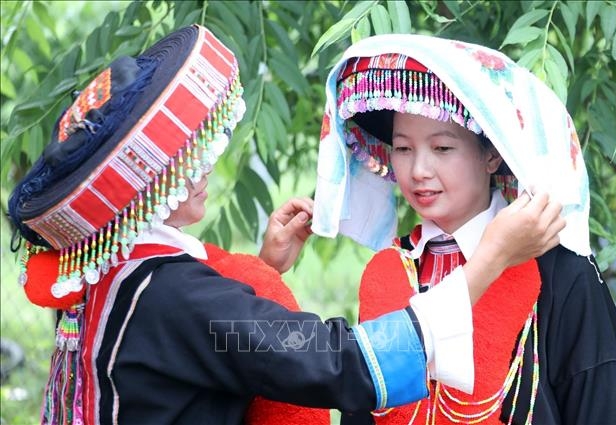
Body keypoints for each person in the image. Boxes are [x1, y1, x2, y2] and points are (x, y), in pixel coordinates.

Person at [7, 26, 564, 425]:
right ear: (146, 185)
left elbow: (212, 339)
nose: (203, 166)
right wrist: (489, 258)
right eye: (184, 157)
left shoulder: (112, 274)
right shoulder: (181, 298)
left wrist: (265, 269)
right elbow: (338, 361)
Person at [310, 34, 616, 424]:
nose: (418, 171)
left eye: (442, 148)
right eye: (403, 148)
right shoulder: (392, 270)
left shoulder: (563, 272)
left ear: (493, 154)